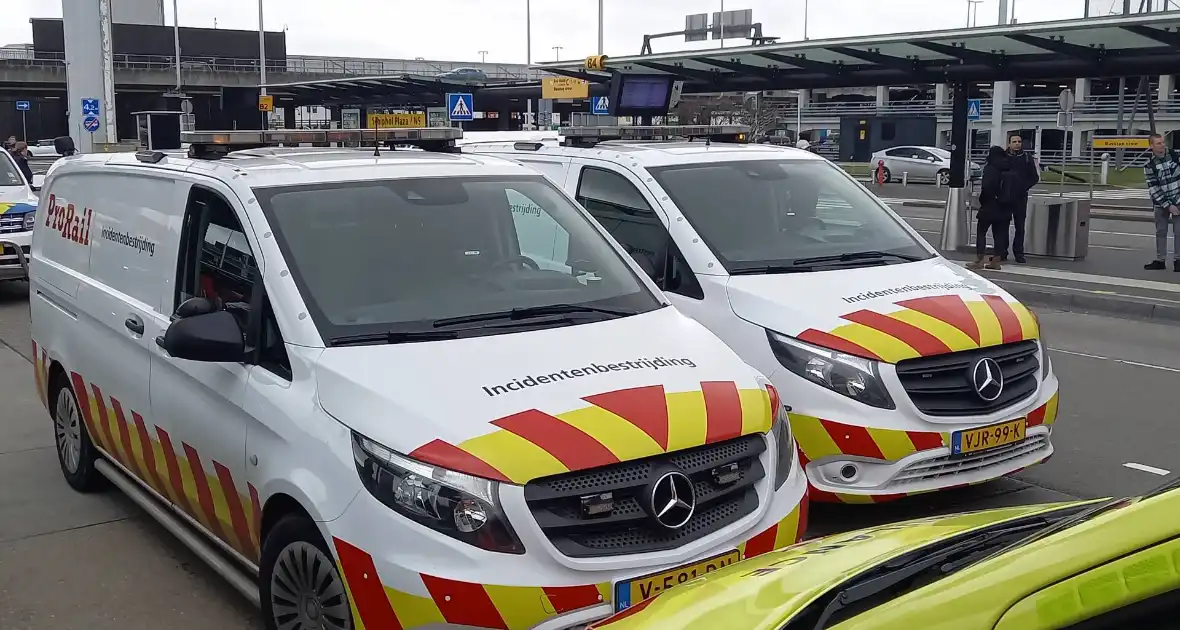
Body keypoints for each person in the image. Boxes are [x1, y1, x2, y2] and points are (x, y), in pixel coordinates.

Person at [968, 146, 1014, 271]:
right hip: (1005, 206)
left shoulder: (991, 168)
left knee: (981, 232)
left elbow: (986, 187)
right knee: (999, 235)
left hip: (990, 205)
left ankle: (979, 260)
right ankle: (996, 261)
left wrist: (983, 201)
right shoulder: (1009, 167)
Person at [1143, 133, 1180, 271]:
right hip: (1161, 203)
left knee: (1179, 231)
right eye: (1158, 143)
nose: (1162, 145)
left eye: (1163, 142)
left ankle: (1178, 260)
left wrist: (1176, 202)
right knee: (1161, 231)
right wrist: (1168, 205)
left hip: (1178, 199)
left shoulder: (1175, 156)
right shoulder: (1149, 165)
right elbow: (1154, 188)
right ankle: (1160, 260)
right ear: (1151, 146)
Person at [1000, 133, 1039, 263]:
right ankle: (1002, 252)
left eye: (1019, 141)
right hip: (1004, 197)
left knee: (1020, 227)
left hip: (1020, 198)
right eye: (1014, 141)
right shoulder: (1003, 157)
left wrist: (1023, 187)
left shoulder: (1027, 158)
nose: (1017, 144)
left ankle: (1019, 253)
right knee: (1003, 226)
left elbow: (1034, 177)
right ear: (1009, 143)